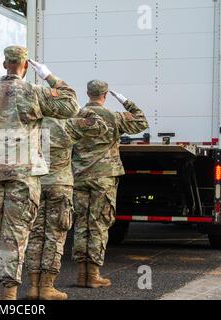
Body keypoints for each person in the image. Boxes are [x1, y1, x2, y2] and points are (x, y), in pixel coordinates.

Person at [0, 46, 80, 300]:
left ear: (5, 63)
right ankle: (9, 294)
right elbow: (71, 104)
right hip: (23, 177)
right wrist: (50, 77)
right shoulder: (34, 92)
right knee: (15, 236)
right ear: (26, 66)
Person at [72, 80, 149, 288]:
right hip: (103, 179)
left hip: (79, 177)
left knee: (81, 224)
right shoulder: (114, 118)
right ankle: (94, 274)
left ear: (88, 93)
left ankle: (81, 274)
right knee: (98, 224)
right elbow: (141, 121)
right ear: (105, 95)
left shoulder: (76, 116)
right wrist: (125, 101)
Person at [25, 109, 108, 300]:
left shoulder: (31, 125)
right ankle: (47, 287)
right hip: (60, 186)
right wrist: (85, 110)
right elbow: (99, 127)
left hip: (35, 184)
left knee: (35, 236)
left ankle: (33, 287)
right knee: (54, 237)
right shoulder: (68, 124)